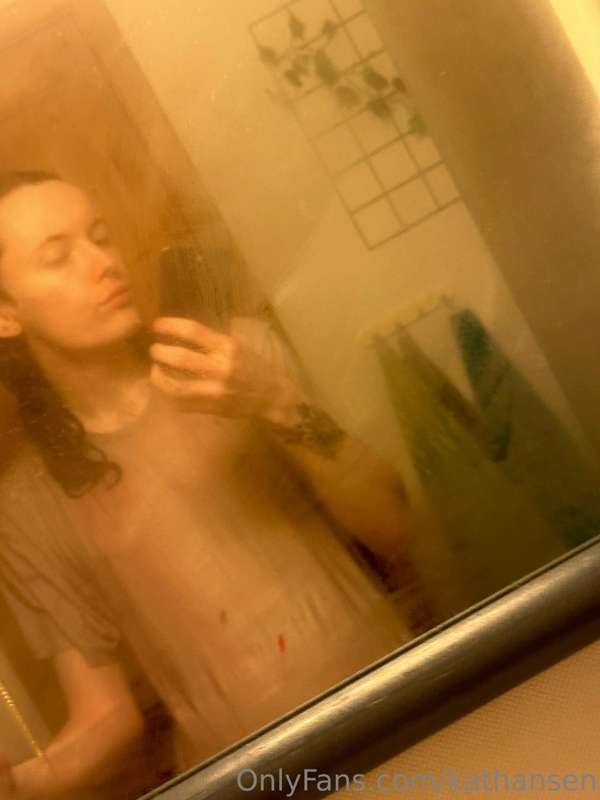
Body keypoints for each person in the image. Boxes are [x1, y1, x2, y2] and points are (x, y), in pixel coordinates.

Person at [0, 171, 413, 799]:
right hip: (249, 780)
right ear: (6, 315)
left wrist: (277, 402)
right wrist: (20, 782)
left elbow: (395, 527)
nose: (104, 263)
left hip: (403, 712)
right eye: (59, 257)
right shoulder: (29, 503)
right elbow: (107, 717)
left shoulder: (234, 360)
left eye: (101, 237)